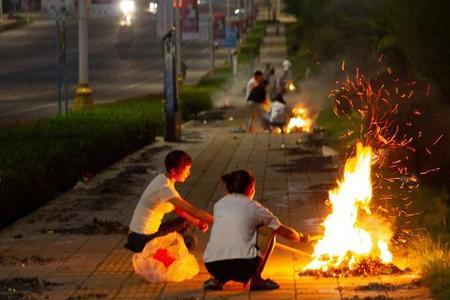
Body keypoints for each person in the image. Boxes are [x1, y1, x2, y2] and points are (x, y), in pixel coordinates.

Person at [203, 170, 309, 291]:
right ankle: (256, 280)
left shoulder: (219, 204)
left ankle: (217, 280)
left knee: (227, 230)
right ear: (250, 187)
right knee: (269, 229)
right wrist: (300, 237)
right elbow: (285, 232)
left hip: (213, 265)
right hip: (244, 266)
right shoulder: (254, 207)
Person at [125, 150, 213, 253]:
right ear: (174, 171)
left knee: (185, 221)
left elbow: (178, 209)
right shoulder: (165, 189)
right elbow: (194, 211)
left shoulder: (163, 179)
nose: (189, 174)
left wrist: (196, 222)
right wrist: (220, 222)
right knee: (189, 242)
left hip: (139, 235)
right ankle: (170, 260)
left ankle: (172, 255)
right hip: (141, 239)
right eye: (186, 170)